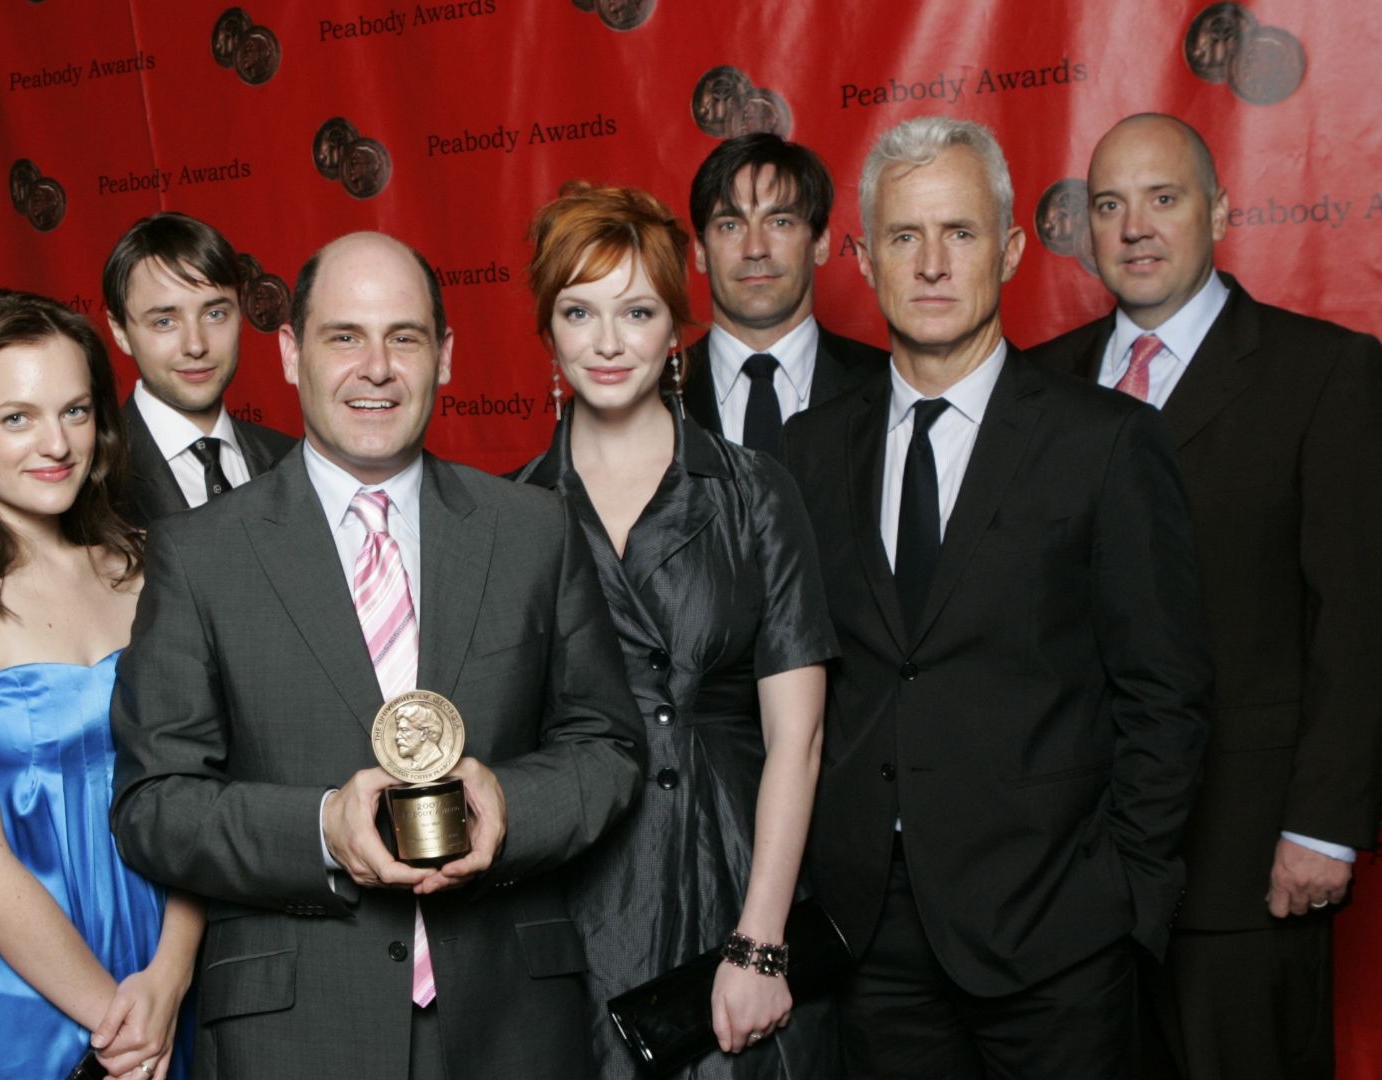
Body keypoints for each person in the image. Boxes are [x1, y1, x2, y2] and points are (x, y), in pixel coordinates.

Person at [109, 231, 645, 1080]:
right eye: (343, 337)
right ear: (289, 354)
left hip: (511, 1024)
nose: (377, 368)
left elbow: (609, 749)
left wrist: (509, 803)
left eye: (405, 337)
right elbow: (154, 805)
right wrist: (321, 828)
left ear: (446, 357)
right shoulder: (202, 555)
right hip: (295, 1034)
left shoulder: (533, 530)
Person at [780, 117, 1212, 1078]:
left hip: (1059, 938)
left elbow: (1166, 696)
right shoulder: (809, 453)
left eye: (961, 233)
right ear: (862, 257)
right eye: (904, 236)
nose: (932, 263)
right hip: (870, 943)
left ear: (1012, 250)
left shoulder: (1104, 445)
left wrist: (1119, 897)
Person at [1028, 113, 1382, 1080]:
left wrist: (1321, 827)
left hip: (1247, 863)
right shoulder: (1038, 383)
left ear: (1220, 211)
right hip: (1067, 878)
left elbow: (1358, 616)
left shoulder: (1324, 373)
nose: (1135, 227)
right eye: (1109, 205)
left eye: (1164, 198)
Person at [512, 182, 839, 1078]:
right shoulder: (508, 515)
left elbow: (797, 736)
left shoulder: (752, 491)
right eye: (580, 311)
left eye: (638, 310)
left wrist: (762, 941)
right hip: (575, 901)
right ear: (549, 330)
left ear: (674, 331)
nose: (609, 342)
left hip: (733, 871)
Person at [0, 290, 199, 1079]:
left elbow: (205, 793)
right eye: (17, 418)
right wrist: (118, 1025)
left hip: (167, 959)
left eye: (77, 411)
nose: (56, 443)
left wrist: (169, 977)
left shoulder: (147, 566)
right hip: (24, 987)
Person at [679, 133, 887, 458]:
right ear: (701, 251)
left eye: (780, 222)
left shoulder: (890, 385)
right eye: (730, 225)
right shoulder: (648, 395)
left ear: (820, 244)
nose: (756, 249)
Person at [103, 212, 297, 526]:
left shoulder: (293, 461)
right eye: (165, 321)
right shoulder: (93, 476)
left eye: (215, 314)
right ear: (120, 331)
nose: (195, 345)